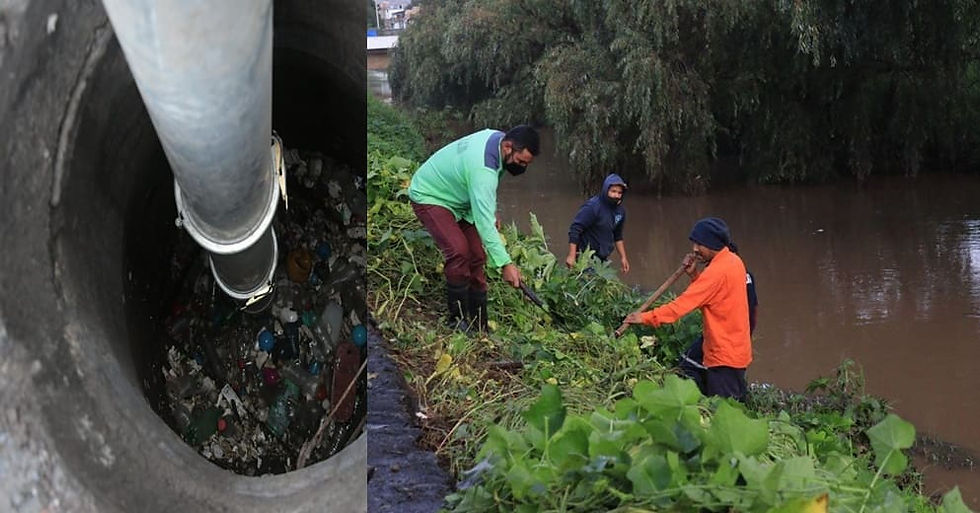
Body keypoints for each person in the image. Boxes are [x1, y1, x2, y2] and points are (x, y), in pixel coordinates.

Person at [408, 125, 540, 332]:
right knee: (459, 252)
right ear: (508, 147)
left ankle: (479, 324)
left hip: (460, 198)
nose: (522, 167)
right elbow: (485, 223)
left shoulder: (496, 139)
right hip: (431, 195)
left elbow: (488, 188)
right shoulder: (483, 168)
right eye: (521, 162)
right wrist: (506, 264)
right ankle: (457, 321)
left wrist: (492, 209)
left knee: (477, 256)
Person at [624, 217, 752, 400]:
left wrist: (644, 317)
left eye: (699, 244)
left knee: (724, 411)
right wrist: (694, 275)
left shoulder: (716, 273)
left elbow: (679, 307)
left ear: (712, 244)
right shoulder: (734, 261)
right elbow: (714, 295)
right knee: (731, 402)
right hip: (736, 349)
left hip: (724, 356)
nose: (694, 249)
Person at [565, 173, 630, 273]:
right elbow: (575, 229)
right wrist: (572, 255)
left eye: (619, 193)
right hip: (585, 257)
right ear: (606, 190)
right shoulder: (593, 207)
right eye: (613, 191)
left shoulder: (620, 212)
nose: (616, 195)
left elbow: (618, 236)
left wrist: (623, 258)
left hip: (602, 259)